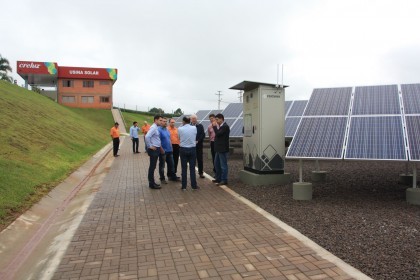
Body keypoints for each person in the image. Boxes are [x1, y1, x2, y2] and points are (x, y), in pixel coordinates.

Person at [178, 116, 199, 190]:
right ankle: (194, 186)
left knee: (184, 168)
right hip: (192, 149)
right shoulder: (194, 128)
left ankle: (184, 186)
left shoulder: (180, 129)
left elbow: (179, 137)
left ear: (183, 121)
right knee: (192, 168)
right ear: (189, 121)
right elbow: (195, 136)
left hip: (183, 149)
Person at [145, 115, 164, 189]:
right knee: (152, 167)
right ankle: (151, 184)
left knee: (153, 167)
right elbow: (147, 136)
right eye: (160, 120)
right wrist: (149, 146)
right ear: (156, 120)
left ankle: (152, 182)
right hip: (154, 150)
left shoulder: (156, 127)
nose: (161, 121)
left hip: (156, 149)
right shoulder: (153, 128)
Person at [158, 117, 179, 183]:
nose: (165, 122)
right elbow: (158, 141)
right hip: (163, 151)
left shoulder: (166, 130)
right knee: (162, 166)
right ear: (161, 122)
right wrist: (161, 149)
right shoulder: (159, 130)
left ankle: (172, 177)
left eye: (166, 121)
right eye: (164, 121)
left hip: (169, 151)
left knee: (172, 165)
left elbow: (169, 139)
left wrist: (171, 147)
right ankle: (162, 178)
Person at [212, 113, 230, 185]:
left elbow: (218, 134)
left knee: (223, 165)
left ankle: (224, 179)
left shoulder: (225, 126)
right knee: (217, 164)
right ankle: (218, 178)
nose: (216, 121)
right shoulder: (221, 126)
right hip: (218, 149)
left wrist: (214, 127)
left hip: (222, 149)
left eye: (217, 120)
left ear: (221, 119)